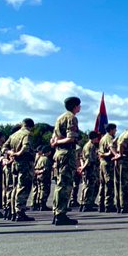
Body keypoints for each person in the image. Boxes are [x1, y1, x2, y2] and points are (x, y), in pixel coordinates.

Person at [49, 96, 82, 226]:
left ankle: (57, 212)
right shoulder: (71, 118)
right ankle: (60, 214)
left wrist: (56, 142)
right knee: (65, 184)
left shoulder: (59, 118)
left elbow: (53, 139)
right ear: (75, 106)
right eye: (79, 105)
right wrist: (60, 141)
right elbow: (71, 138)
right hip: (66, 153)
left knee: (60, 184)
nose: (80, 107)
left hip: (58, 153)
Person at [4, 118, 37, 222]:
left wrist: (11, 153)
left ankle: (13, 211)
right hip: (25, 162)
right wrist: (18, 153)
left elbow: (4, 147)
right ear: (31, 126)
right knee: (23, 187)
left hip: (15, 163)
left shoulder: (13, 135)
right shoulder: (27, 134)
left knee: (14, 187)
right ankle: (20, 212)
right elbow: (26, 147)